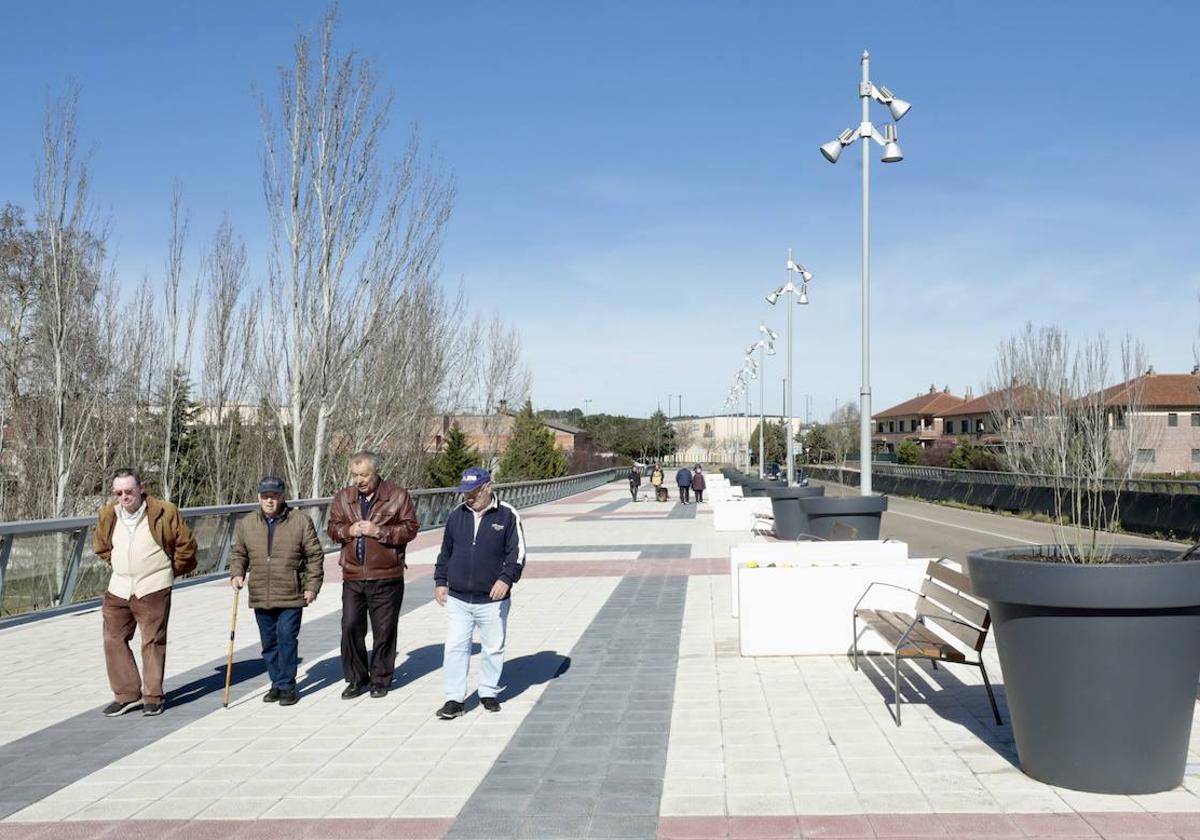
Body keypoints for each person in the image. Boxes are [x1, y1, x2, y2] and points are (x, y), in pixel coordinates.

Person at [93, 468, 197, 717]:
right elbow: (102, 547)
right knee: (113, 640)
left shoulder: (164, 511)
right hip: (118, 587)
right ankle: (127, 694)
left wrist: (168, 572)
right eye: (118, 492)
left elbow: (186, 546)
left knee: (152, 641)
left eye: (129, 491)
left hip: (153, 586)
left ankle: (153, 695)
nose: (124, 496)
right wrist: (120, 565)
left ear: (141, 488)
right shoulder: (109, 513)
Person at [434, 468, 526, 719]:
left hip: (493, 599)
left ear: (488, 487)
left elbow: (517, 554)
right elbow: (445, 553)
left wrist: (506, 579)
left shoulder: (507, 515)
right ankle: (454, 699)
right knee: (455, 647)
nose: (469, 497)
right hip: (459, 598)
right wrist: (440, 580)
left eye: (473, 492)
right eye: (465, 492)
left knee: (493, 648)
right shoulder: (456, 516)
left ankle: (488, 692)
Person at [328, 451, 419, 699]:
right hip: (353, 576)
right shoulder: (344, 498)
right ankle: (357, 679)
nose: (359, 480)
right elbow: (332, 529)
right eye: (355, 475)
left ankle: (380, 679)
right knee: (349, 627)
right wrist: (349, 530)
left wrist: (379, 531)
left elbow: (411, 529)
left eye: (364, 475)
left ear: (376, 472)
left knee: (384, 630)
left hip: (387, 575)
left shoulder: (397, 495)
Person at [229, 476, 325, 706]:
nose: (269, 501)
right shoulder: (247, 523)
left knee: (286, 638)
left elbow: (314, 556)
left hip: (291, 592)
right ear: (258, 497)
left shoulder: (300, 521)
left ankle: (287, 685)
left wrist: (312, 587)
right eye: (265, 496)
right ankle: (276, 682)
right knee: (269, 643)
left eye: (274, 496)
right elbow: (239, 553)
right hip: (261, 593)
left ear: (283, 496)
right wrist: (236, 573)